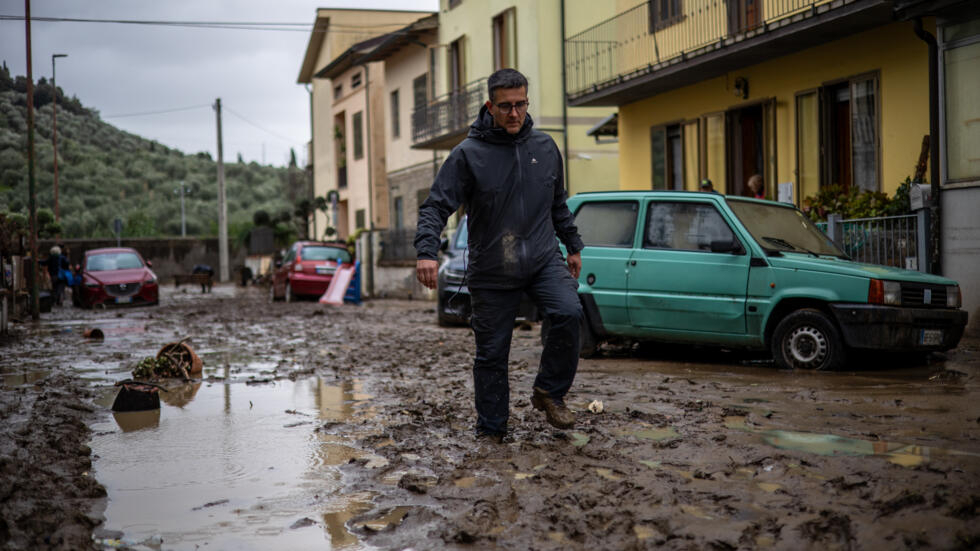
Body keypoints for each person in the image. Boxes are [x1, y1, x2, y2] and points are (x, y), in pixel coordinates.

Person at [415, 68, 584, 441]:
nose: (514, 113)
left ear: (527, 102)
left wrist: (573, 245)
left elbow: (558, 204)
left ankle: (549, 392)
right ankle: (492, 432)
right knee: (492, 354)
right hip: (493, 268)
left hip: (542, 259)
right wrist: (427, 251)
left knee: (569, 312)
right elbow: (435, 206)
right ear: (490, 106)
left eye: (520, 104)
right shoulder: (467, 155)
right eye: (505, 106)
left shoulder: (544, 148)